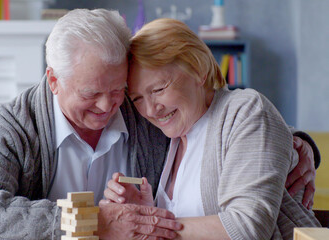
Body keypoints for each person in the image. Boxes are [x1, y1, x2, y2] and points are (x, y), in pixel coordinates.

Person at [0, 9, 319, 240]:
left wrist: (295, 143)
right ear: (53, 81)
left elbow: (227, 124)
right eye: (91, 92)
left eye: (118, 90)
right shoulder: (11, 127)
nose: (107, 105)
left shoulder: (139, 110)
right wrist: (95, 222)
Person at [103, 18, 321, 239]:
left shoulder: (245, 110)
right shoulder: (170, 135)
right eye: (138, 98)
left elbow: (247, 228)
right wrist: (144, 212)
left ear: (198, 70)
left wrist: (148, 226)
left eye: (159, 89)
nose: (150, 110)